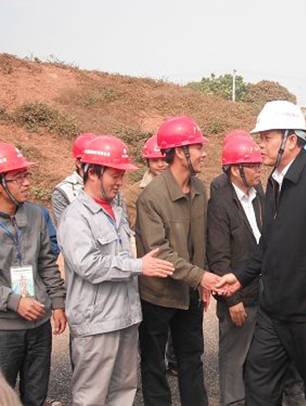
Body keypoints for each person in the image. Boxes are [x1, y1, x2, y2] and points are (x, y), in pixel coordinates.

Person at [217, 101, 306, 406]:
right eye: (260, 138)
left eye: (266, 138)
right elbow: (268, 244)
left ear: (291, 140)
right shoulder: (275, 181)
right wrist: (239, 277)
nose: (260, 145)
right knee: (258, 380)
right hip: (273, 312)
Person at [58, 135, 174, 406]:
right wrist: (139, 266)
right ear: (93, 173)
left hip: (125, 317)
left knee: (124, 392)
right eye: (115, 175)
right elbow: (88, 264)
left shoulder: (116, 211)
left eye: (122, 175)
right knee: (92, 397)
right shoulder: (76, 216)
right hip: (97, 324)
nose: (120, 182)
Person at [136, 116, 222, 406]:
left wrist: (202, 280)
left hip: (189, 295)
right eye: (198, 147)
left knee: (191, 359)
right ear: (179, 152)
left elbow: (202, 240)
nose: (203, 153)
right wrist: (201, 277)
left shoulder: (199, 188)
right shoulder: (151, 197)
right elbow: (159, 251)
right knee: (154, 363)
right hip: (157, 296)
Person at [0, 142, 67, 406]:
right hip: (4, 329)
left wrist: (58, 302)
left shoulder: (37, 214)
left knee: (36, 394)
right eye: (18, 178)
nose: (27, 183)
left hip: (39, 324)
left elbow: (46, 262)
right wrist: (14, 301)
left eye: (27, 175)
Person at [207, 131, 264, 406]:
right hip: (239, 297)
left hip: (264, 293)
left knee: (258, 359)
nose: (258, 170)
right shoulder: (220, 204)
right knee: (233, 359)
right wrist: (232, 300)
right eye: (252, 165)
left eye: (258, 164)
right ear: (234, 169)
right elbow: (218, 257)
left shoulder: (260, 195)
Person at [52, 132, 126, 224]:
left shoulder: (112, 188)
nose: (119, 182)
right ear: (79, 163)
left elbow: (122, 223)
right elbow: (64, 227)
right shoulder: (64, 192)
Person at [125, 134, 168, 229]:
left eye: (164, 159)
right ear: (148, 163)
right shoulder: (135, 193)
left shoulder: (184, 186)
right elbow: (137, 227)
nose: (160, 165)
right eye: (155, 160)